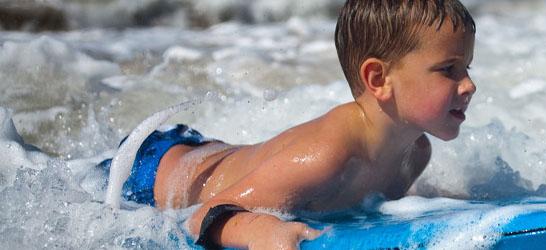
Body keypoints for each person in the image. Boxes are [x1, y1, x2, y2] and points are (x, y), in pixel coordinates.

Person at [98, 0, 477, 249]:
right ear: (378, 79)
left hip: (210, 156)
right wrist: (259, 229)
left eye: (467, 68)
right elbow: (202, 217)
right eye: (449, 70)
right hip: (151, 171)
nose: (469, 85)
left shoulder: (415, 152)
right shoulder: (325, 156)